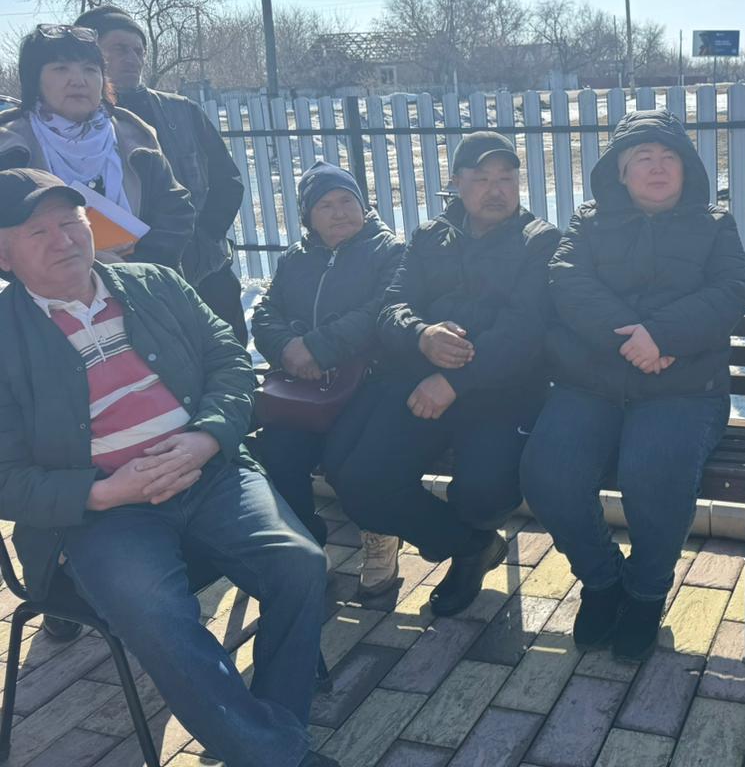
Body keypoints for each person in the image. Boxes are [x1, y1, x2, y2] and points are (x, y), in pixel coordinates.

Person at [0, 169, 336, 767]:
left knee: (299, 562)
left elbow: (230, 364)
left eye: (72, 222)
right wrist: (104, 493)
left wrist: (206, 438)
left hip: (209, 472)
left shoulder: (155, 283)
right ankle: (281, 756)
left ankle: (268, 744)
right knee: (155, 614)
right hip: (102, 513)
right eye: (38, 231)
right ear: (3, 254)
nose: (65, 240)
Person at [520, 109, 745, 662]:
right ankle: (602, 579)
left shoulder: (715, 223)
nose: (657, 167)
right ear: (620, 172)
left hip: (683, 387)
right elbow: (567, 281)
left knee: (654, 471)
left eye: (669, 156)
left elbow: (731, 290)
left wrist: (663, 335)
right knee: (548, 474)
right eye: (642, 158)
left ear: (687, 167)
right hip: (591, 383)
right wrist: (632, 337)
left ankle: (646, 592)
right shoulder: (589, 221)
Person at [325, 131, 560, 616]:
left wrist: (456, 380)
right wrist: (421, 334)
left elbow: (526, 331)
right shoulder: (430, 236)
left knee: (484, 494)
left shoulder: (539, 241)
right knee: (361, 483)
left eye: (506, 178)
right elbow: (392, 306)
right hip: (421, 384)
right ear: (456, 183)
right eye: (482, 178)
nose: (496, 190)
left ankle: (473, 532)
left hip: (501, 393)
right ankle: (471, 547)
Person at [250, 161, 405, 599]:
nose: (339, 213)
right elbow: (265, 312)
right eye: (325, 206)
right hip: (303, 389)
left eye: (346, 201)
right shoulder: (294, 260)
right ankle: (307, 548)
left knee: (348, 463)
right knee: (278, 455)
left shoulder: (389, 251)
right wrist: (288, 349)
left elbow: (379, 311)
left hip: (369, 385)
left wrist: (317, 348)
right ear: (308, 217)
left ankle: (379, 532)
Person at [77, 5, 248, 344]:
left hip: (205, 273)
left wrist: (203, 240)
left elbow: (228, 182)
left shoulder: (181, 111)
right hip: (119, 280)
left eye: (138, 50)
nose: (133, 59)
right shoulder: (71, 125)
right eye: (119, 49)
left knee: (227, 355)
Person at [0, 24, 193, 270]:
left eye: (90, 69)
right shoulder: (9, 147)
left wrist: (130, 268)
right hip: (45, 287)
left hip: (140, 282)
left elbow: (175, 214)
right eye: (61, 69)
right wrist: (84, 264)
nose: (79, 81)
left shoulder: (135, 136)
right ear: (34, 79)